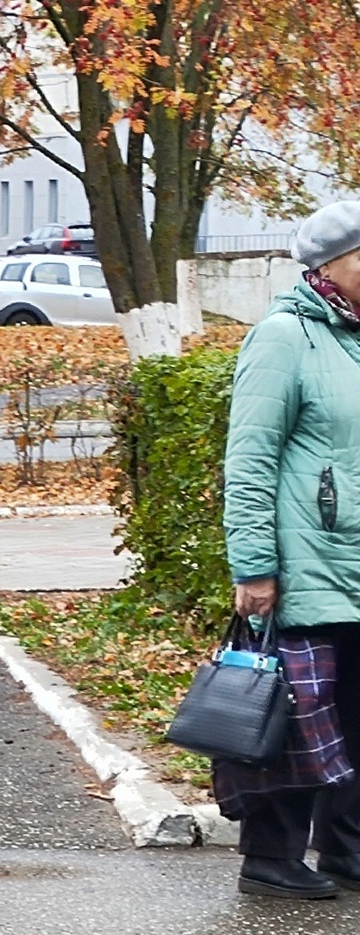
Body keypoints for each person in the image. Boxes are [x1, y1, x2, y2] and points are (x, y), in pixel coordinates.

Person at [221, 200, 360, 899]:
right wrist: (253, 563)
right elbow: (248, 459)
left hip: (356, 565)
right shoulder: (283, 337)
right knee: (293, 712)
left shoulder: (355, 338)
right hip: (307, 564)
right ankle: (269, 859)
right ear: (326, 265)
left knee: (354, 719)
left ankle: (346, 851)